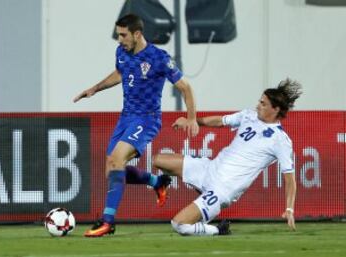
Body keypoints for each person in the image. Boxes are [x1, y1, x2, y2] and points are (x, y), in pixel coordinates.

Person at [73, 14, 199, 237]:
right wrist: (95, 88)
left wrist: (191, 118)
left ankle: (107, 221)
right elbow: (121, 73)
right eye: (118, 34)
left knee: (116, 160)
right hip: (126, 117)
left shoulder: (158, 57)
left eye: (123, 35)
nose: (119, 39)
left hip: (147, 118)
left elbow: (185, 87)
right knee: (112, 169)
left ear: (137, 34)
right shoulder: (121, 52)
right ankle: (157, 181)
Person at [151, 78, 302, 236]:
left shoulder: (281, 140)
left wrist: (289, 209)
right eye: (260, 101)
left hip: (222, 190)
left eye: (263, 104)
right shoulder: (248, 115)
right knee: (158, 160)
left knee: (179, 224)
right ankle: (161, 185)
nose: (258, 105)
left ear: (276, 109)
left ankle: (218, 229)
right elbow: (220, 121)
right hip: (208, 169)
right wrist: (193, 121)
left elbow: (290, 179)